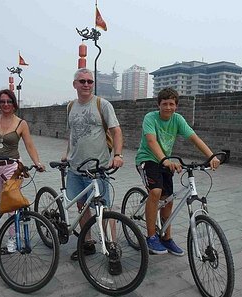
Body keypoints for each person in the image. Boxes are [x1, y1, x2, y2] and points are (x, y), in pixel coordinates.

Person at [135, 87, 220, 256]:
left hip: (165, 162)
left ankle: (167, 238)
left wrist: (211, 157)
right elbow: (151, 141)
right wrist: (165, 160)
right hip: (147, 159)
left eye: (171, 104)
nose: (168, 107)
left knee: (169, 200)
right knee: (156, 192)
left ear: (176, 106)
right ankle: (151, 236)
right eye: (164, 104)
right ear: (158, 105)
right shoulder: (150, 118)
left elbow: (194, 138)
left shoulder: (178, 119)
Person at [63, 68, 124, 275]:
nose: (86, 84)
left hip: (98, 168)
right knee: (81, 206)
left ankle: (112, 246)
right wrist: (67, 154)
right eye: (82, 81)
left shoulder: (102, 105)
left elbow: (116, 130)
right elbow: (71, 134)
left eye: (89, 81)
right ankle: (87, 242)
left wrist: (118, 155)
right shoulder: (70, 106)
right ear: (75, 84)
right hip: (75, 167)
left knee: (104, 208)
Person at [0, 89, 45, 248]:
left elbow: (29, 145)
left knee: (11, 204)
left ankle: (12, 238)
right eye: (2, 101)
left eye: (9, 101)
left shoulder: (21, 123)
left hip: (12, 167)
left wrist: (37, 162)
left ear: (14, 104)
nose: (5, 104)